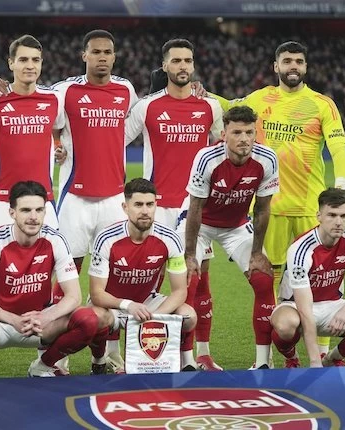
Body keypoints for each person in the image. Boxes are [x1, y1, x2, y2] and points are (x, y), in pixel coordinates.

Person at [0, 29, 138, 376]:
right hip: (74, 199)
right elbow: (43, 115)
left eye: (108, 52)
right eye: (95, 52)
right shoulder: (63, 92)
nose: (102, 57)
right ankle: (55, 358)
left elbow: (131, 126)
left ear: (114, 56)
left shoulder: (126, 90)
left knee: (113, 279)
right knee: (64, 273)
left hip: (114, 198)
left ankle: (105, 357)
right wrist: (58, 146)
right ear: (84, 55)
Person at [208, 41, 345, 356]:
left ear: (305, 66)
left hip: (309, 208)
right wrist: (203, 93)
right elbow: (228, 105)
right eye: (287, 61)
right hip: (268, 207)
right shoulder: (260, 99)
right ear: (276, 66)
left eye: (299, 61)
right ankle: (272, 356)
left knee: (320, 283)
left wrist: (341, 186)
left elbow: (338, 148)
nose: (293, 66)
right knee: (267, 284)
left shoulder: (322, 104)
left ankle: (322, 353)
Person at [125, 39, 223, 371]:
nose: (183, 66)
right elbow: (114, 139)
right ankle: (128, 352)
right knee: (144, 280)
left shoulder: (209, 107)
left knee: (199, 280)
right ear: (164, 65)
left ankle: (198, 354)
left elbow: (223, 145)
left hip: (195, 208)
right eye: (176, 61)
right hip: (156, 208)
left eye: (188, 61)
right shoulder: (147, 107)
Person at [0, 181, 98, 378]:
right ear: (12, 213)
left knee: (88, 320)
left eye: (39, 210)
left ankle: (43, 365)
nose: (33, 217)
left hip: (40, 323)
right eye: (25, 210)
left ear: (45, 212)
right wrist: (13, 319)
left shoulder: (55, 240)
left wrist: (46, 316)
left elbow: (74, 296)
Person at [183, 106, 279, 369]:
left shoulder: (267, 159)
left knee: (263, 278)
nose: (244, 138)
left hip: (236, 226)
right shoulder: (207, 158)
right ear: (224, 134)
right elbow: (195, 208)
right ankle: (189, 360)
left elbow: (262, 209)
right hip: (201, 224)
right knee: (189, 280)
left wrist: (257, 253)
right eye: (237, 132)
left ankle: (263, 362)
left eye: (249, 132)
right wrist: (190, 254)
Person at [88, 178, 197, 373]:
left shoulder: (170, 239)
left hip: (147, 303)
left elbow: (180, 291)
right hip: (113, 305)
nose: (145, 211)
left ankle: (186, 362)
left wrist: (156, 317)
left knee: (188, 316)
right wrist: (128, 305)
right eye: (138, 205)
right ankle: (99, 360)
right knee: (94, 318)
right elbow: (97, 294)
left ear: (156, 205)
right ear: (125, 207)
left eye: (150, 204)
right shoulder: (106, 238)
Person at [271, 188, 345, 368]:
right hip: (296, 307)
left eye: (344, 216)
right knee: (286, 324)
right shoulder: (301, 249)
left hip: (334, 305)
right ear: (319, 216)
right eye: (332, 215)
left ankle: (332, 358)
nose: (338, 222)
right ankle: (292, 357)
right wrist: (314, 362)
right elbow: (305, 309)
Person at [0, 35, 65, 245]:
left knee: (49, 261)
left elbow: (59, 127)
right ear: (11, 63)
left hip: (44, 201)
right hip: (2, 202)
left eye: (35, 60)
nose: (30, 65)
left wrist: (60, 147)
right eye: (23, 60)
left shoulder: (54, 99)